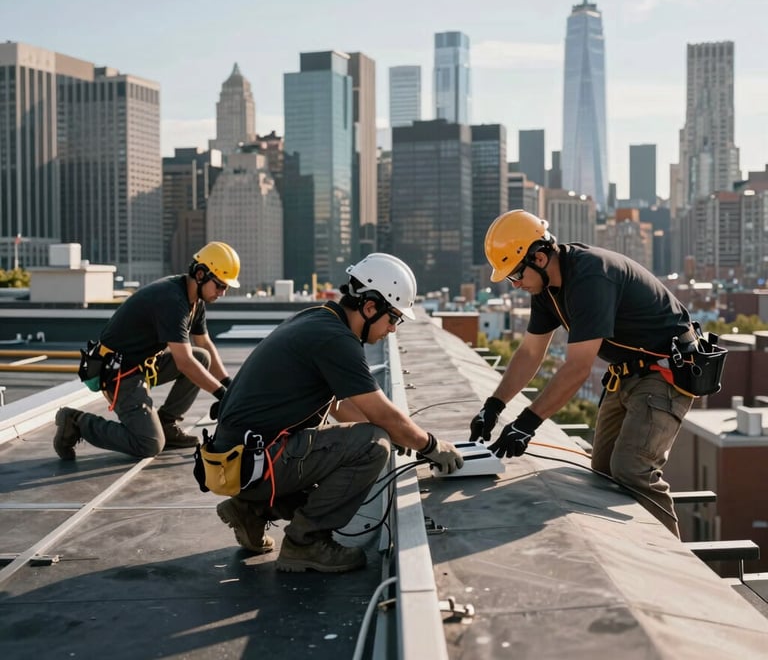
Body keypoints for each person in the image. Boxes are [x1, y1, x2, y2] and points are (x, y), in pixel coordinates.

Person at [211, 253, 463, 573]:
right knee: (373, 445)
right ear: (370, 308)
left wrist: (399, 434)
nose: (393, 329)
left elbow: (335, 404)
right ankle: (306, 543)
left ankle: (250, 510)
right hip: (254, 462)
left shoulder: (320, 318)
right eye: (394, 318)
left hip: (238, 460)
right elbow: (381, 413)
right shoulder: (336, 338)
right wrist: (430, 445)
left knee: (371, 438)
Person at [469, 209, 696, 537]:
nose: (515, 284)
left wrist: (526, 425)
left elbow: (577, 368)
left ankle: (677, 567)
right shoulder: (546, 290)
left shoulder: (591, 277)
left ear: (540, 257)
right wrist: (493, 406)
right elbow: (531, 353)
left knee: (632, 470)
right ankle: (631, 544)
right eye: (510, 278)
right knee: (603, 470)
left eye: (517, 274)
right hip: (627, 374)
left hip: (664, 374)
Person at [53, 241, 240, 460]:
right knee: (149, 444)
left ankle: (167, 424)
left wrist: (228, 386)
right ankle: (76, 422)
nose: (222, 292)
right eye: (219, 285)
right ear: (200, 275)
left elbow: (205, 344)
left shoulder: (194, 302)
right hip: (119, 372)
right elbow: (184, 363)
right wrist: (221, 394)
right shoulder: (172, 300)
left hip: (143, 365)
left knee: (203, 357)